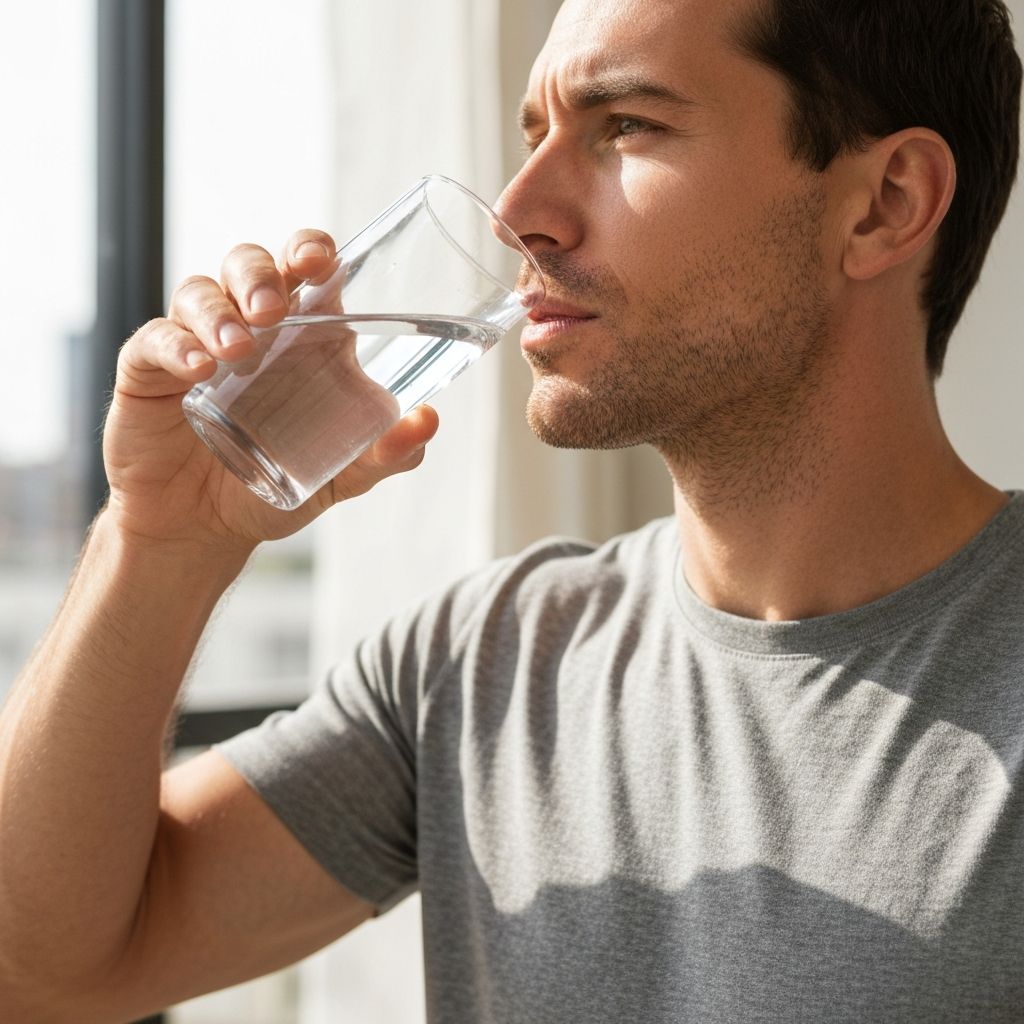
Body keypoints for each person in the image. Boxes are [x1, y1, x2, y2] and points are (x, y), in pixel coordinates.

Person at [1, 0, 1022, 1019]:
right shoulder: (480, 662)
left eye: (628, 126)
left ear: (885, 203)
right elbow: (42, 966)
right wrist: (160, 540)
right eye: (533, 136)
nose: (520, 212)